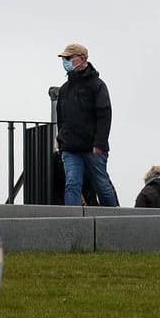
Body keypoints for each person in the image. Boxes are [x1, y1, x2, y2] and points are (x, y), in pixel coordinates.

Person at [54, 42, 118, 207]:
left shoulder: (97, 86)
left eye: (68, 58)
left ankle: (114, 218)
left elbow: (105, 115)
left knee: (102, 186)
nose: (65, 62)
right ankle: (73, 222)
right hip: (70, 148)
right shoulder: (64, 90)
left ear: (82, 59)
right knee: (72, 184)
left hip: (93, 148)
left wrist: (99, 143)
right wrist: (61, 142)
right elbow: (62, 119)